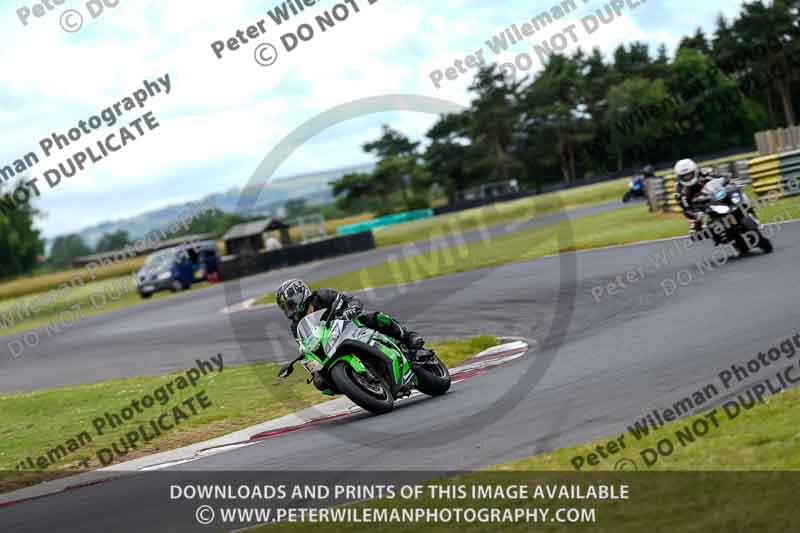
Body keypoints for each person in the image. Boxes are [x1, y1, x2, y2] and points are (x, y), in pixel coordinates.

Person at [276, 278, 425, 353]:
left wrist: (351, 309)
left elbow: (351, 300)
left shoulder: (322, 295)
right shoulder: (296, 326)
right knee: (320, 381)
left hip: (350, 325)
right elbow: (305, 347)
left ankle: (407, 336)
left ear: (302, 295)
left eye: (291, 304)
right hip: (330, 346)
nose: (290, 309)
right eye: (286, 307)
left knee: (375, 317)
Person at [674, 158, 719, 233]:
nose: (687, 178)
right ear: (679, 177)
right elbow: (686, 209)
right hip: (697, 206)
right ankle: (701, 226)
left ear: (695, 171)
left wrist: (730, 180)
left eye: (689, 175)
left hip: (713, 195)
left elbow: (720, 178)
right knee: (694, 229)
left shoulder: (704, 172)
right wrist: (696, 215)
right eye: (684, 176)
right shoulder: (679, 190)